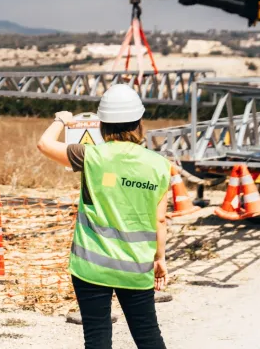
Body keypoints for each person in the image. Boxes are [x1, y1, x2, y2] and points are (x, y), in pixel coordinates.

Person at [37, 84, 170, 349]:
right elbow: (160, 221)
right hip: (135, 266)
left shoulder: (90, 156)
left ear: (102, 125)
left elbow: (44, 144)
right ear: (139, 123)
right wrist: (160, 258)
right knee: (147, 336)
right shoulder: (158, 165)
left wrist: (61, 120)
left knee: (97, 337)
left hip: (90, 266)